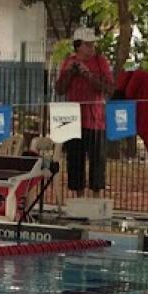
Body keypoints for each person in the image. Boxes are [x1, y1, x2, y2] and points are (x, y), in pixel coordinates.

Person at [55, 26, 114, 197]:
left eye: (92, 45)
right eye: (88, 45)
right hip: (74, 119)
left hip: (95, 119)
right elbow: (59, 89)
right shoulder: (69, 61)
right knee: (75, 160)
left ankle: (96, 197)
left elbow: (108, 88)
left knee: (97, 160)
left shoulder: (99, 61)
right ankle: (78, 197)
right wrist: (70, 73)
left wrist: (88, 75)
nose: (91, 48)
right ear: (78, 46)